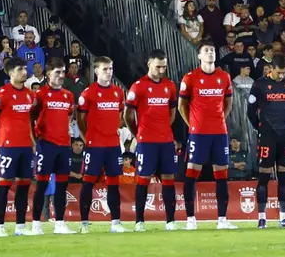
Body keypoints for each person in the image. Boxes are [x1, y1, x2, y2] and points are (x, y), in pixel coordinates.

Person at [178, 41, 236, 230]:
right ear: (199, 56)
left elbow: (228, 103)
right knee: (192, 172)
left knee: (222, 174)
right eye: (206, 50)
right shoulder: (190, 77)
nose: (210, 53)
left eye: (212, 50)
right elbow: (181, 106)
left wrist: (219, 120)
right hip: (198, 134)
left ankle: (222, 219)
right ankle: (190, 219)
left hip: (219, 133)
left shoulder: (224, 77)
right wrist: (193, 125)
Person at [123, 50, 179, 232]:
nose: (161, 70)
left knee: (169, 179)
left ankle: (170, 221)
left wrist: (164, 129)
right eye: (158, 67)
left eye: (164, 67)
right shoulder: (138, 86)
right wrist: (138, 133)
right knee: (143, 179)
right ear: (149, 64)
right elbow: (127, 116)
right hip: (146, 142)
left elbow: (172, 113)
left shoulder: (170, 86)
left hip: (166, 141)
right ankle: (139, 221)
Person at [0, 57, 36, 237]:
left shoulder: (29, 94)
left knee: (23, 186)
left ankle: (20, 227)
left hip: (26, 146)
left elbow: (29, 120)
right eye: (20, 69)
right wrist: (0, 141)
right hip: (9, 146)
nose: (24, 72)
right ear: (10, 73)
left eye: (25, 68)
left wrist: (33, 142)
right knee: (4, 185)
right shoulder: (2, 93)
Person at [77, 57, 127, 234]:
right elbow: (80, 119)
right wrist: (88, 139)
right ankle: (84, 223)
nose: (109, 72)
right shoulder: (88, 93)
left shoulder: (118, 92)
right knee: (88, 182)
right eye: (105, 69)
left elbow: (119, 116)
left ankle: (116, 222)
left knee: (113, 184)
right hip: (95, 145)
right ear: (96, 71)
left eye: (110, 68)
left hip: (113, 145)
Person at [247, 54, 285, 228]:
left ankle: (284, 217)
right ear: (271, 69)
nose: (282, 75)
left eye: (284, 72)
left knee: (284, 177)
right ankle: (262, 218)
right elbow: (250, 111)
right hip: (268, 136)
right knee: (264, 176)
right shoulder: (259, 84)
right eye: (279, 72)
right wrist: (260, 128)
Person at [27, 58, 76, 235]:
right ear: (48, 74)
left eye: (63, 72)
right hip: (46, 145)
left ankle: (60, 223)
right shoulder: (40, 95)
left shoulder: (68, 95)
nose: (61, 75)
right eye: (57, 72)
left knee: (62, 186)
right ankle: (35, 224)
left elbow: (69, 116)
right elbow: (30, 117)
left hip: (64, 146)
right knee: (41, 185)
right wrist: (34, 142)